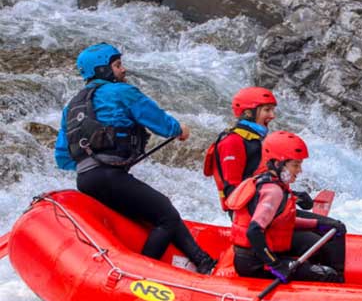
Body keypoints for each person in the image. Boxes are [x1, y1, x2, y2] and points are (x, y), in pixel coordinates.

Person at [54, 43, 216, 274]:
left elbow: (62, 157)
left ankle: (204, 262)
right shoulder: (122, 92)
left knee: (155, 212)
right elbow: (159, 122)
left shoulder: (71, 107)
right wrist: (179, 129)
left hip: (86, 180)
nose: (123, 70)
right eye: (118, 65)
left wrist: (93, 161)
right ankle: (139, 274)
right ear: (103, 70)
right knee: (166, 214)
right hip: (110, 177)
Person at [227, 131, 346, 282]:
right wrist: (275, 265)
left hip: (257, 256)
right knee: (328, 275)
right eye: (295, 165)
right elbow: (254, 231)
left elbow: (277, 222)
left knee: (324, 236)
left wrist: (316, 224)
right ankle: (336, 287)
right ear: (278, 164)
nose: (300, 170)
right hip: (255, 265)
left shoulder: (269, 182)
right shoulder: (273, 191)